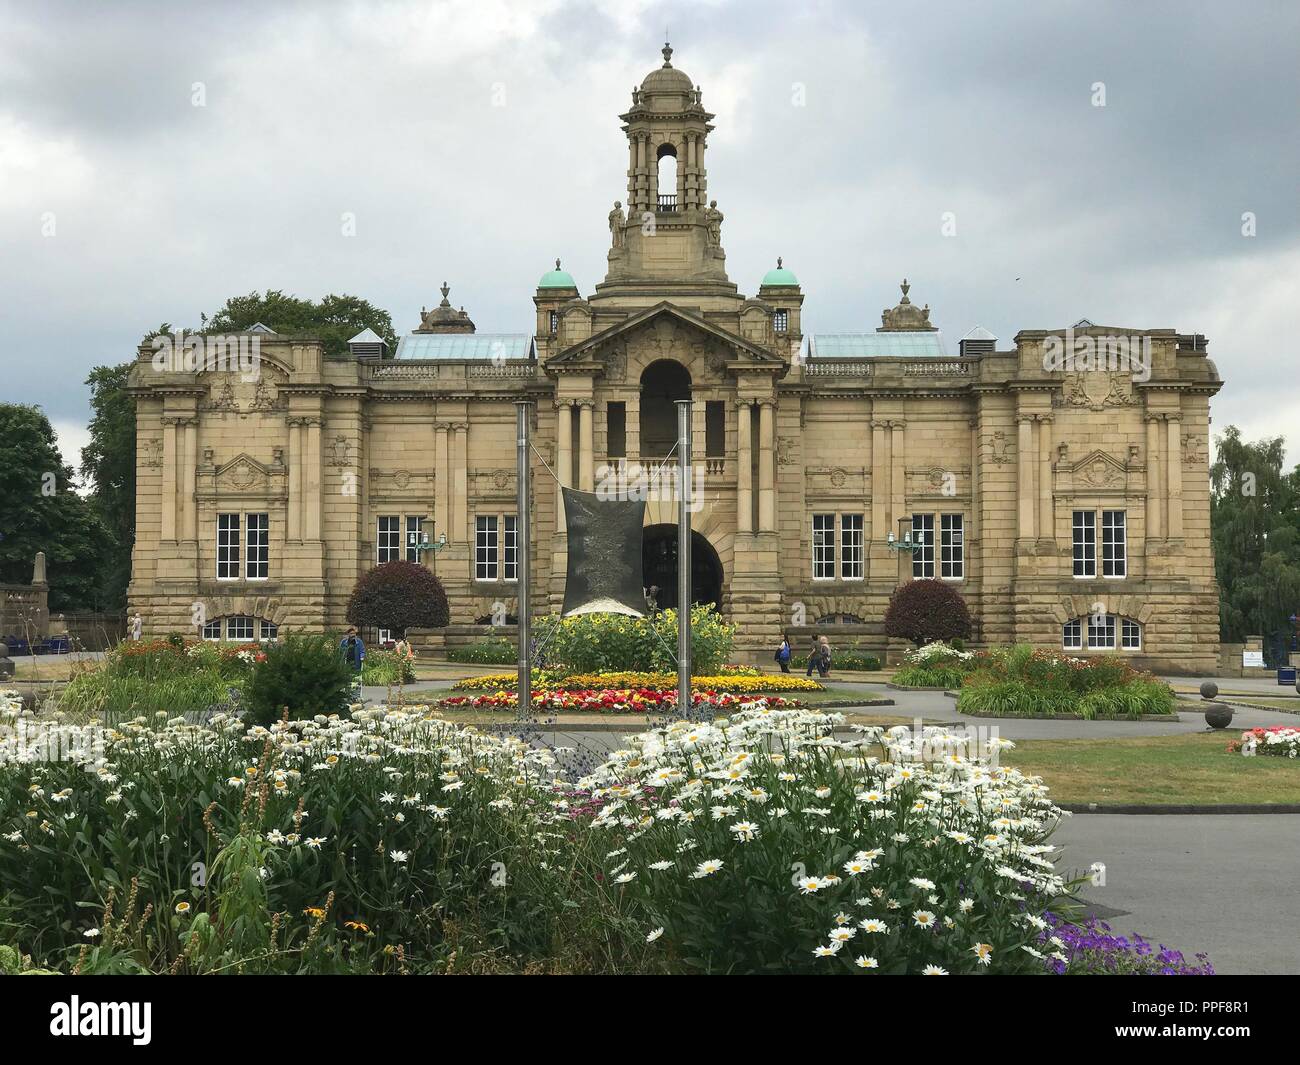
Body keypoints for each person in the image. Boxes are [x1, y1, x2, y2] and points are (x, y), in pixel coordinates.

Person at [340, 628, 366, 700]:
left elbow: (362, 650)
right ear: (348, 634)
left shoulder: (359, 642)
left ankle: (356, 696)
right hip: (346, 663)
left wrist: (362, 656)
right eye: (351, 633)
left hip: (356, 663)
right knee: (347, 680)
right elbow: (340, 651)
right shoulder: (344, 642)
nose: (353, 635)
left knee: (356, 680)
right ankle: (347, 694)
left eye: (354, 633)